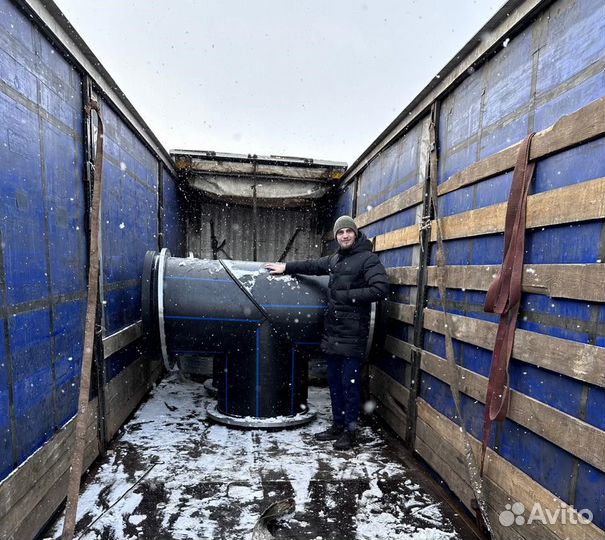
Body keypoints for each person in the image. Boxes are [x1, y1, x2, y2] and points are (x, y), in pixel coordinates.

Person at [265, 215, 389, 450]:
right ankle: (338, 425)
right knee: (334, 381)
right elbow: (313, 266)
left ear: (355, 233)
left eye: (348, 232)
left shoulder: (368, 259)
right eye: (340, 232)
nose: (344, 236)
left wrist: (346, 296)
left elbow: (380, 289)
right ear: (336, 236)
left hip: (352, 334)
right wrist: (287, 267)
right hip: (333, 333)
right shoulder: (336, 259)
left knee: (349, 384)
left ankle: (351, 431)